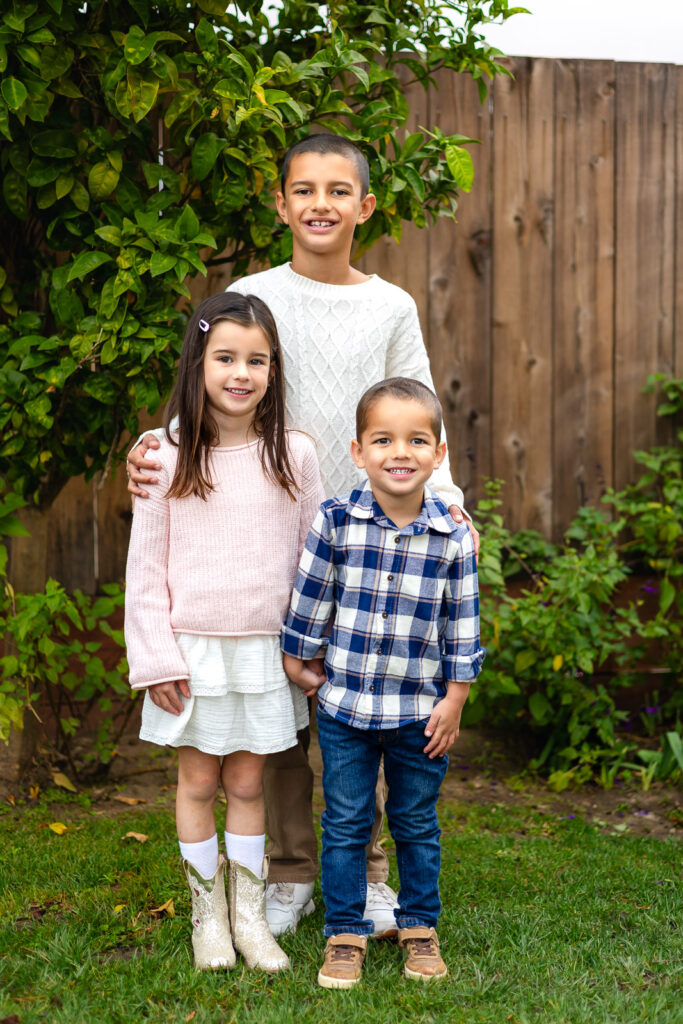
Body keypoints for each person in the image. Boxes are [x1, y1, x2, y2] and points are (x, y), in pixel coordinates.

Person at [125, 132, 481, 939]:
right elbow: (208, 396)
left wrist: (447, 497)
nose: (320, 204)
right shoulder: (254, 292)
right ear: (280, 202)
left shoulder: (390, 306)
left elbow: (417, 403)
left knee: (363, 712)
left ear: (365, 206)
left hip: (368, 538)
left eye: (337, 190)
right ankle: (285, 874)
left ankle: (369, 876)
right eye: (304, 190)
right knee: (278, 716)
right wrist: (151, 448)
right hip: (273, 533)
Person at [124, 291, 324, 973]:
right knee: (198, 782)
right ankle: (206, 917)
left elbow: (311, 560)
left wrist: (306, 647)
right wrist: (155, 658)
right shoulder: (164, 453)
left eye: (257, 360)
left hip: (264, 652)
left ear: (273, 370)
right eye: (226, 358)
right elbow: (145, 568)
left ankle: (249, 918)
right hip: (191, 652)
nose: (241, 373)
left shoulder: (293, 456)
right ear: (198, 362)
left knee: (247, 782)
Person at [282, 378, 485, 989]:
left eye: (416, 439)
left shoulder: (453, 538)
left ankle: (419, 925)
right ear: (358, 451)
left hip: (421, 713)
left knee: (416, 820)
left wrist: (455, 701)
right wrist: (299, 658)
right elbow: (312, 597)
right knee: (346, 822)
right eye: (383, 439)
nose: (400, 451)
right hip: (345, 708)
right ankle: (345, 933)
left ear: (438, 453)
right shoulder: (337, 522)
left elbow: (463, 624)